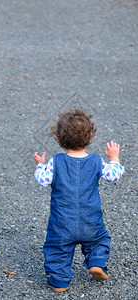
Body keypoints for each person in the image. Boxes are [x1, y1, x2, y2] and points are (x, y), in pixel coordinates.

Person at [33, 109, 124, 293]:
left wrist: (40, 165)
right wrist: (114, 158)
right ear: (90, 136)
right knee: (99, 239)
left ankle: (59, 281)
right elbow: (114, 175)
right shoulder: (96, 161)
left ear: (58, 139)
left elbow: (42, 180)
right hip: (91, 219)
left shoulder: (56, 161)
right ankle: (97, 261)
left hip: (62, 222)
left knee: (57, 248)